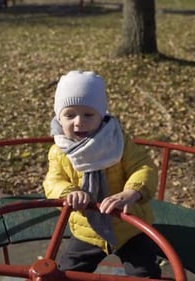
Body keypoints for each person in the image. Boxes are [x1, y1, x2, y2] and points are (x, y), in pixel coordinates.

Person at [43, 70, 161, 278]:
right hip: (87, 228)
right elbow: (53, 181)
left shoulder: (117, 141)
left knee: (146, 273)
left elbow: (143, 167)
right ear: (59, 118)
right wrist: (69, 192)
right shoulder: (59, 151)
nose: (79, 122)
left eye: (88, 114)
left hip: (129, 225)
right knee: (68, 271)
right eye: (70, 115)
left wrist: (132, 192)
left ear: (102, 115)